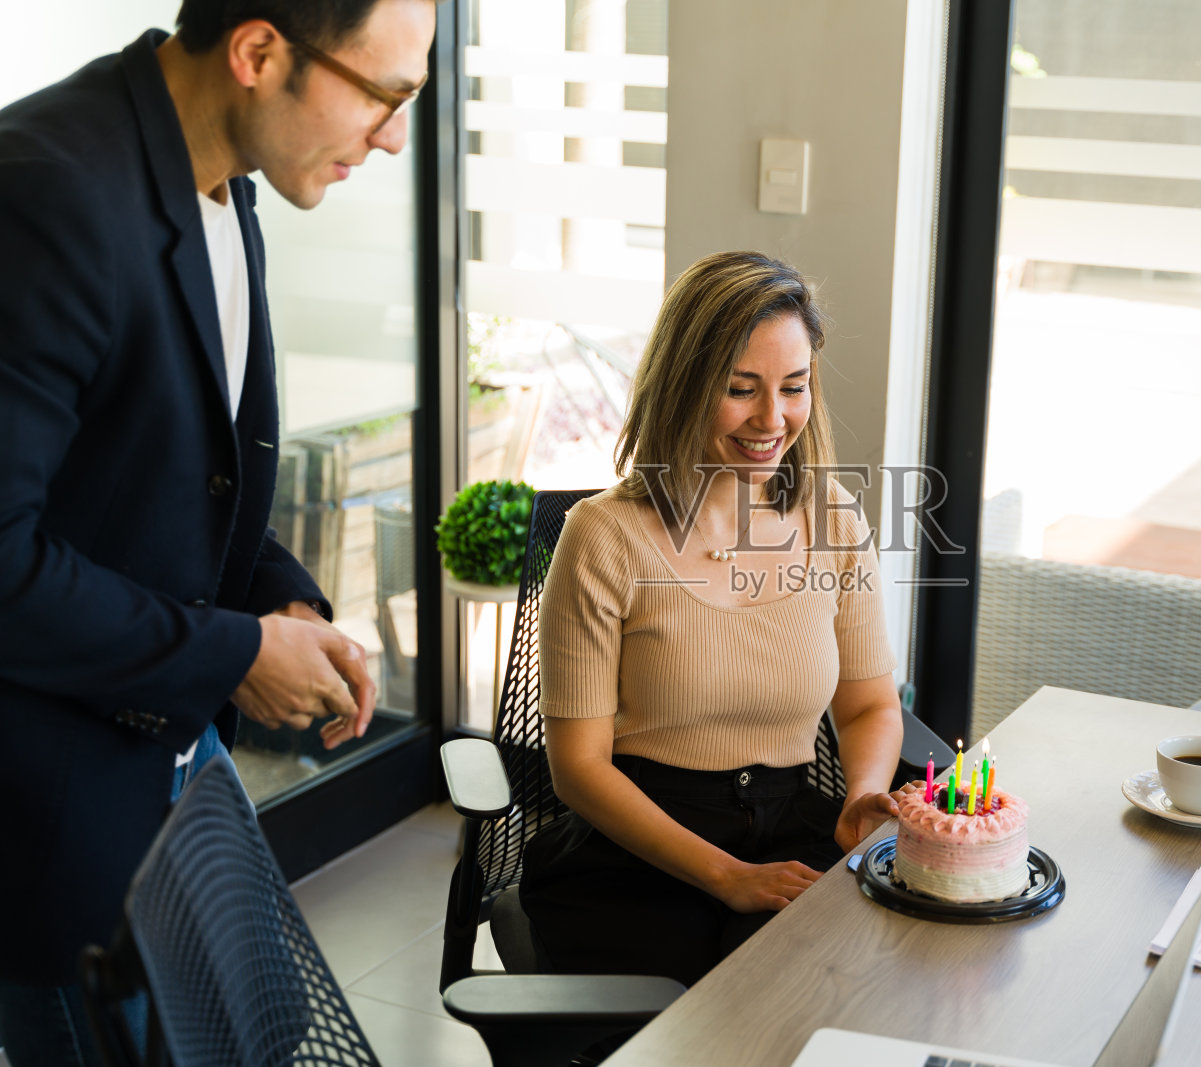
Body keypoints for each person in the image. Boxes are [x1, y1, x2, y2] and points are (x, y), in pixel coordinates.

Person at [0, 1, 437, 1062]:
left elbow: (174, 477)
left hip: (174, 767)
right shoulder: (45, 189)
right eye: (387, 95)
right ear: (256, 52)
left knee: (265, 1035)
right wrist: (239, 654)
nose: (392, 137)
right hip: (51, 819)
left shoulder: (225, 182)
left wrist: (277, 595)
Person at [520, 251, 905, 987]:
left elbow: (868, 706)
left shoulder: (834, 520)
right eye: (740, 389)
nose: (773, 418)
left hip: (794, 825)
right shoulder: (603, 535)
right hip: (639, 850)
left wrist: (860, 797)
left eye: (794, 387)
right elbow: (578, 768)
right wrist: (726, 875)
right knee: (734, 1014)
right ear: (685, 385)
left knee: (875, 980)